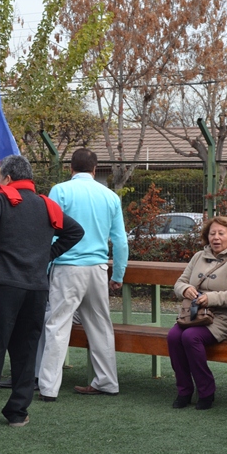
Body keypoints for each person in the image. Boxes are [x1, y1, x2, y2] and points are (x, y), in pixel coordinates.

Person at [0, 155, 83, 429]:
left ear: (6, 178)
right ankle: (17, 412)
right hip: (36, 289)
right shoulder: (45, 204)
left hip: (2, 286)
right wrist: (46, 255)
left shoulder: (2, 200)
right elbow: (75, 232)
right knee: (25, 352)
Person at [37, 148, 129, 401]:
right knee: (101, 326)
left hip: (67, 267)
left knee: (57, 325)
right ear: (95, 169)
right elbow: (120, 241)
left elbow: (52, 232)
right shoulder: (110, 196)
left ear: (71, 168)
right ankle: (107, 382)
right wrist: (118, 274)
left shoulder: (61, 190)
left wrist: (44, 267)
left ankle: (48, 387)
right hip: (98, 269)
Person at [170, 215, 227, 410]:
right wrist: (185, 290)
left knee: (190, 337)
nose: (216, 237)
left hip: (223, 318)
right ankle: (184, 390)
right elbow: (179, 282)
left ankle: (206, 391)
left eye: (221, 233)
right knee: (173, 336)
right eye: (212, 233)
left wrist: (211, 298)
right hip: (194, 314)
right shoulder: (198, 256)